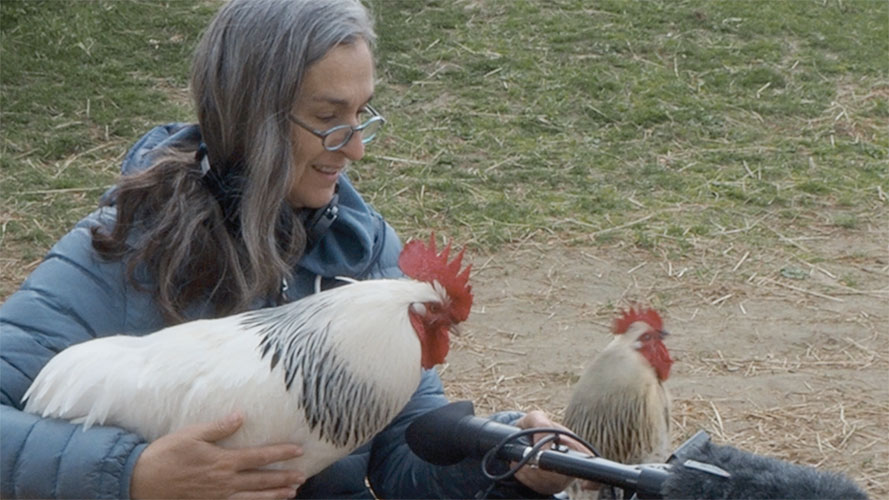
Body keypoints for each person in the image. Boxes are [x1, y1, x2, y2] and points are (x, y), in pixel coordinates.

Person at [0, 0, 580, 498]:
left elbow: (407, 458)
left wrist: (503, 458)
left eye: (362, 113)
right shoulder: (121, 247)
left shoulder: (367, 255)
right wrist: (132, 475)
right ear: (253, 117)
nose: (354, 148)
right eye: (328, 118)